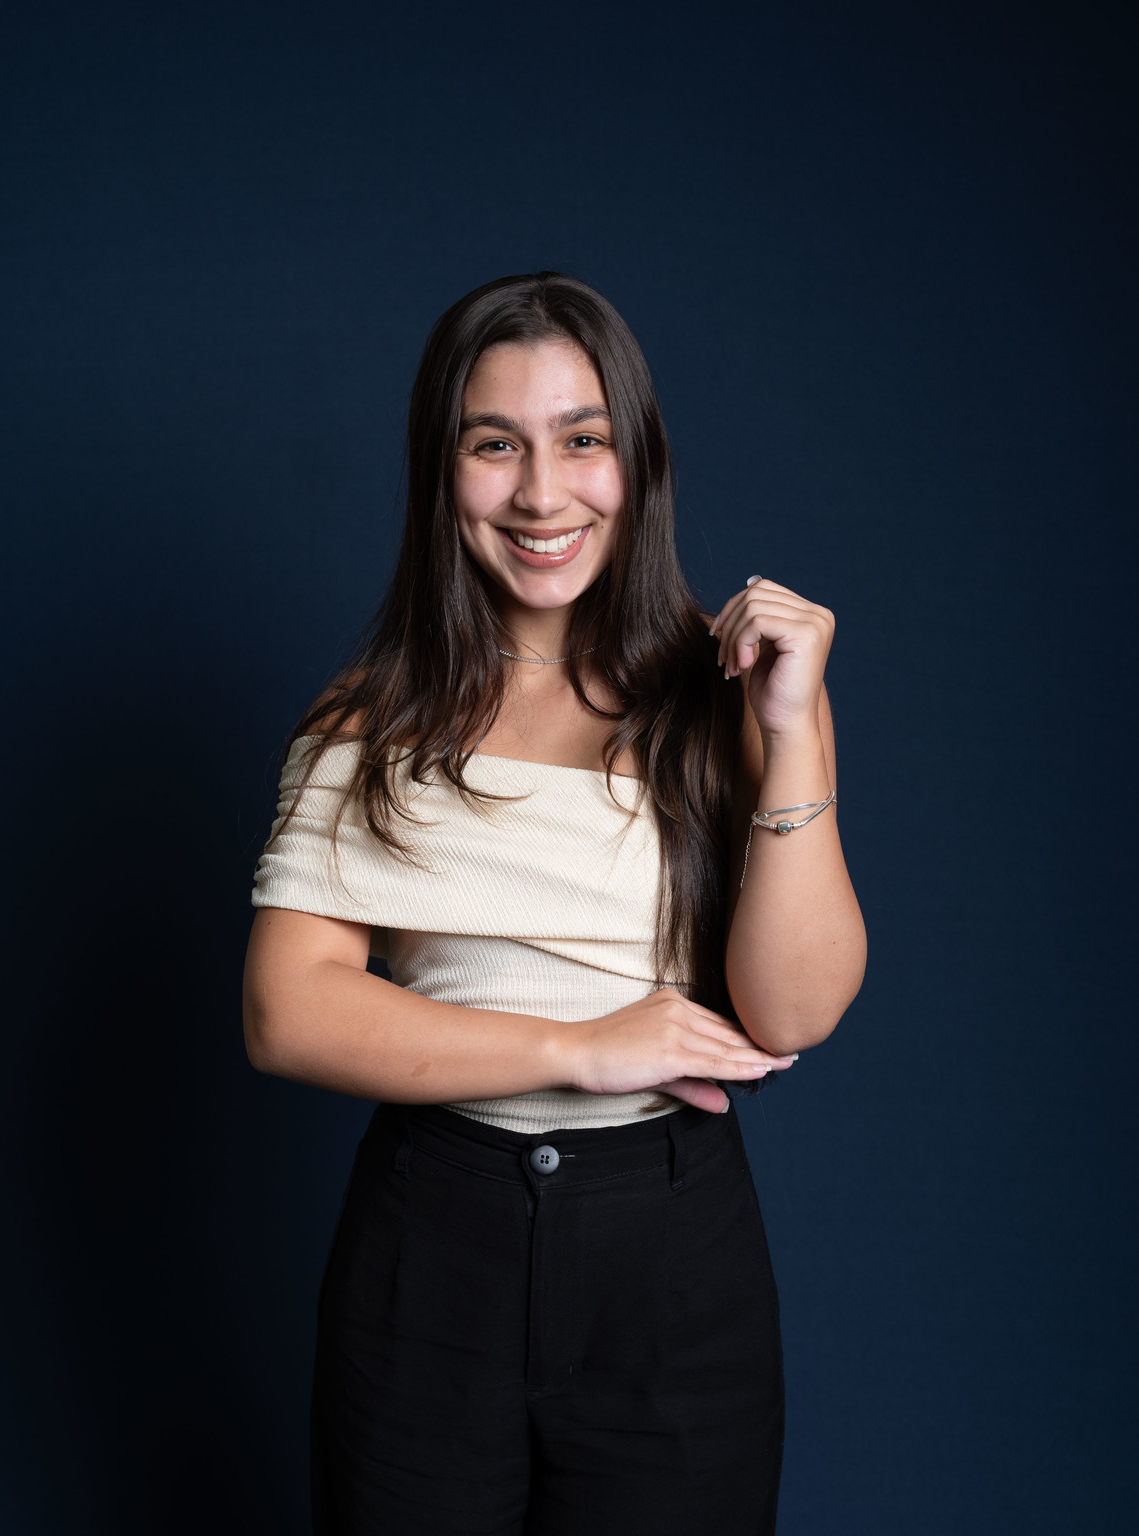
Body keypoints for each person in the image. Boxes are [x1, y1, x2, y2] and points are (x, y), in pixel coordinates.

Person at [242, 271, 866, 1536]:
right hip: (430, 1243)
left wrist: (793, 728)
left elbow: (794, 1010)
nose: (541, 493)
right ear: (441, 471)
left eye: (582, 440)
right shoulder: (367, 720)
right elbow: (286, 1012)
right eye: (495, 445)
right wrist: (580, 1047)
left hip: (673, 1257)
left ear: (638, 462)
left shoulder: (740, 695)